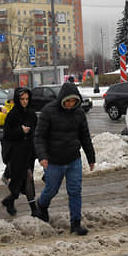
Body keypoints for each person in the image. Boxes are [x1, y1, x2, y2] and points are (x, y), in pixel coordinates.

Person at [33, 82, 95, 234]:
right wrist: (42, 156)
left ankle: (75, 224)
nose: (69, 105)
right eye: (67, 101)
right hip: (53, 160)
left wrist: (91, 156)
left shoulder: (79, 113)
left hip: (73, 159)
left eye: (73, 102)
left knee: (75, 191)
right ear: (62, 99)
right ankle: (41, 205)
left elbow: (85, 136)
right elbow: (39, 137)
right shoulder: (48, 111)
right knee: (51, 190)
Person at [1, 87, 39, 217]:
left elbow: (36, 133)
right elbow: (6, 134)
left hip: (29, 152)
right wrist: (20, 131)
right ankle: (34, 209)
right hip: (16, 153)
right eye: (22, 99)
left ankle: (10, 200)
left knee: (23, 180)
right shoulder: (12, 115)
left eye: (27, 99)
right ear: (17, 99)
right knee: (26, 177)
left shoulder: (32, 114)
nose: (25, 102)